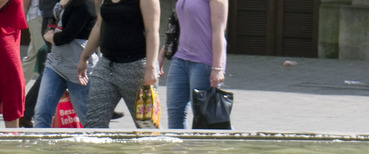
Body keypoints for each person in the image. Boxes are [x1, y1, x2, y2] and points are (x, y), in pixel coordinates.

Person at [77, 0, 158, 128]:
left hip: (136, 68)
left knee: (146, 127)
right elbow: (99, 25)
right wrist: (84, 57)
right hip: (106, 66)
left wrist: (151, 68)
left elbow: (152, 31)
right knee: (93, 125)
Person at [163, 0, 227, 128]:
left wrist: (217, 68)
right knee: (174, 111)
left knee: (204, 116)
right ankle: (178, 147)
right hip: (180, 58)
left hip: (204, 62)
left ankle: (213, 144)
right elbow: (179, 28)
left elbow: (219, 31)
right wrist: (161, 55)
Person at [32, 0, 95, 128]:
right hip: (55, 64)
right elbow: (51, 21)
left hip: (78, 68)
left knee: (87, 117)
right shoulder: (62, 2)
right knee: (42, 113)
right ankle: (39, 145)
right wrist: (50, 31)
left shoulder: (84, 5)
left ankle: (97, 145)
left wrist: (51, 37)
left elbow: (66, 37)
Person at [0, 0, 27, 126]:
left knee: (12, 87)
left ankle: (13, 138)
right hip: (5, 34)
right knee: (12, 85)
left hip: (8, 29)